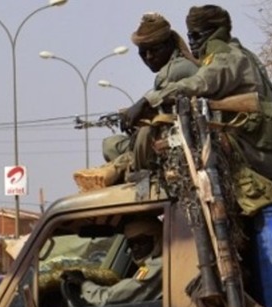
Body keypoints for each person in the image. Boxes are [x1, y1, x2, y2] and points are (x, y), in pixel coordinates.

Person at [120, 4, 272, 181]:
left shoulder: (228, 57)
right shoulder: (236, 53)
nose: (192, 42)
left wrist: (147, 101)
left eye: (197, 35)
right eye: (189, 36)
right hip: (259, 147)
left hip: (252, 151)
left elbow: (197, 84)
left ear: (216, 32)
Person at [75, 13, 199, 191]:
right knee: (111, 145)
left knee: (145, 132)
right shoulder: (169, 69)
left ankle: (122, 169)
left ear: (170, 45)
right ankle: (120, 166)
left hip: (181, 141)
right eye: (143, 52)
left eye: (154, 50)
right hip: (169, 137)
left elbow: (158, 96)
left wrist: (141, 106)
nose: (148, 57)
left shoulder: (177, 69)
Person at [62, 217, 163, 307]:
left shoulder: (159, 265)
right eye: (131, 243)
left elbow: (111, 299)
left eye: (141, 241)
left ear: (156, 238)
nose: (135, 248)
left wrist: (84, 283)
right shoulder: (153, 265)